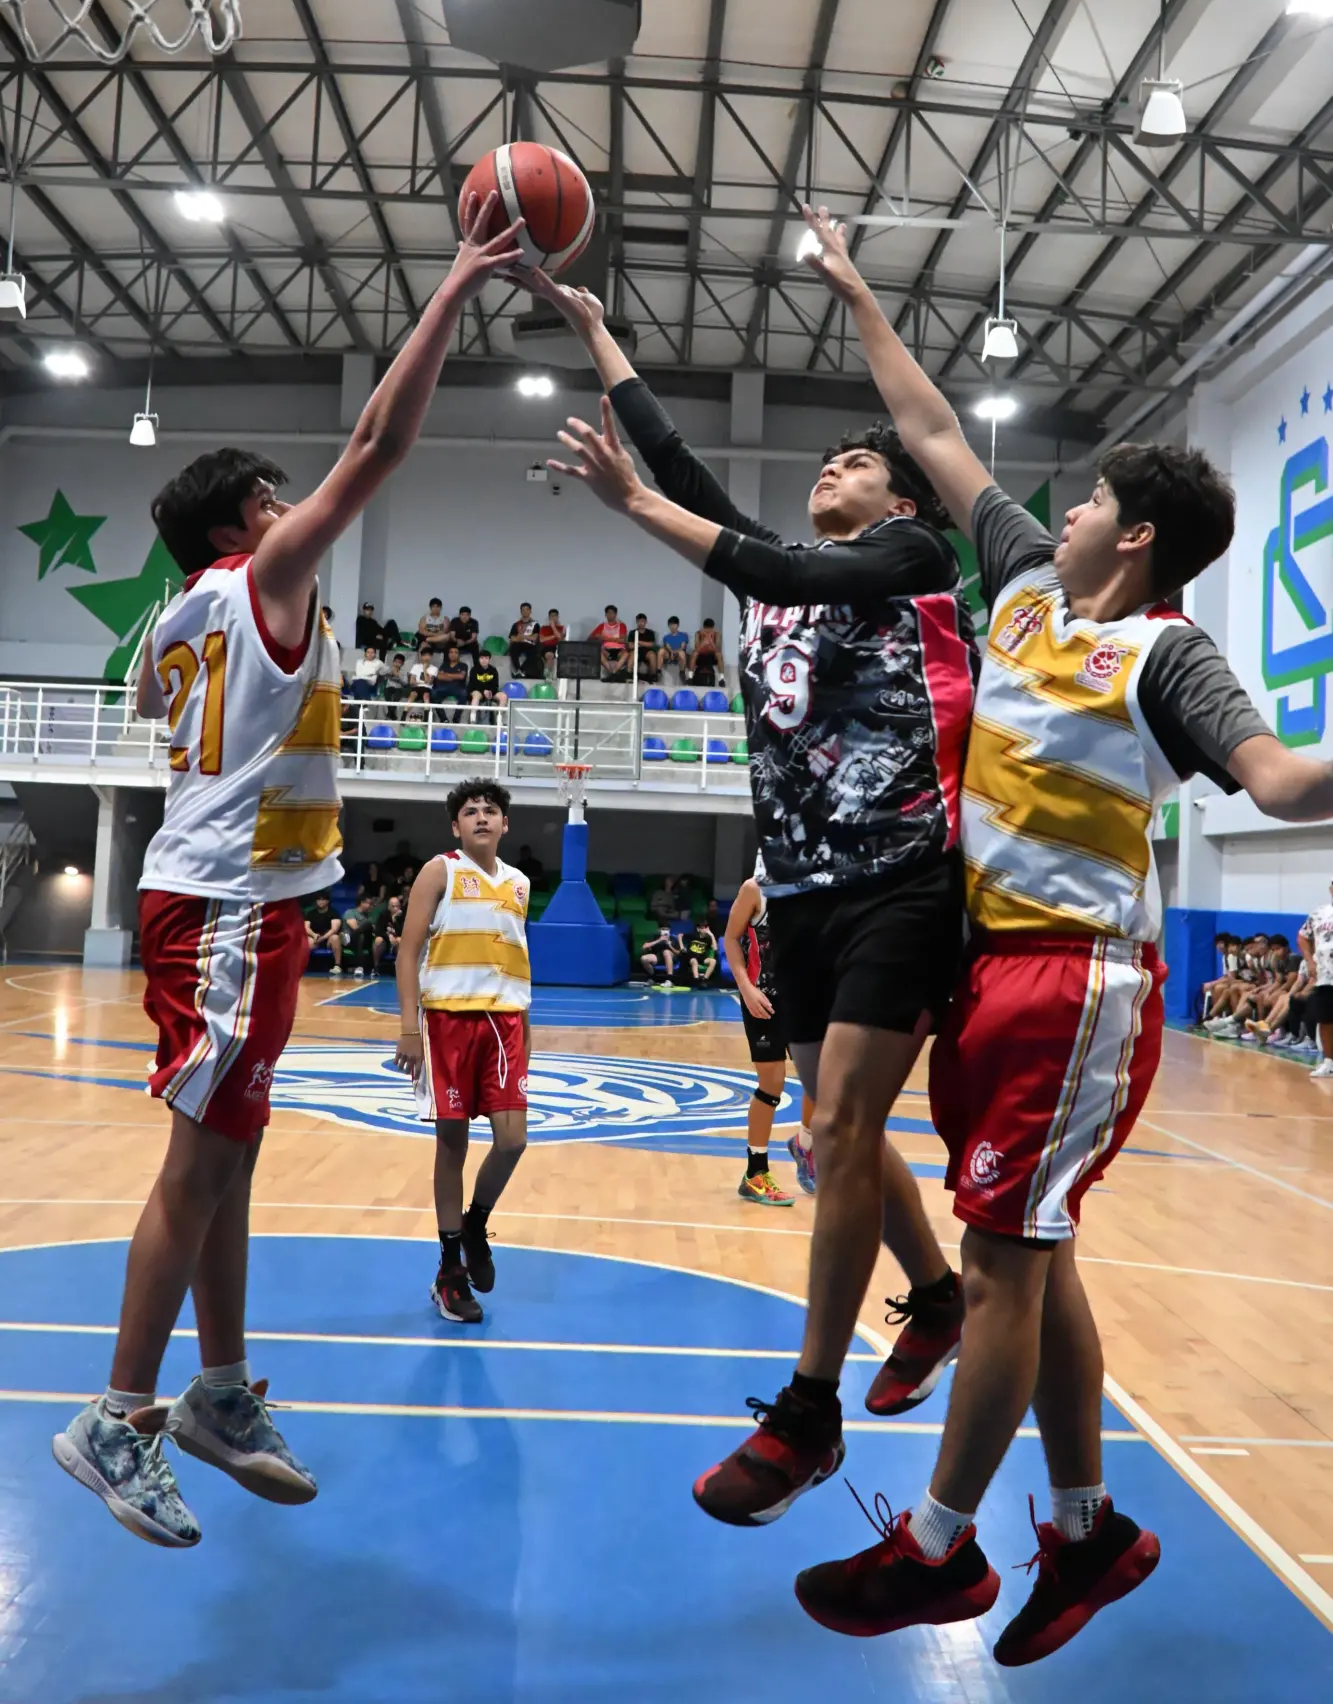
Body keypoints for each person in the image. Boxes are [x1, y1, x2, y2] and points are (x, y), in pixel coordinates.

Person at [788, 202, 1333, 1659]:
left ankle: (941, 1549)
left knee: (1003, 1269)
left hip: (1076, 978)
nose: (1065, 505)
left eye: (1091, 498)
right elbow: (933, 426)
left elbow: (1277, 780)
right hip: (986, 970)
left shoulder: (1169, 653)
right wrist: (855, 290)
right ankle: (1086, 1533)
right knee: (1042, 1257)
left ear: (1137, 535)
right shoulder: (1025, 586)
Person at [51, 192, 523, 1548]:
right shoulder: (258, 581)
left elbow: (152, 702)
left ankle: (212, 1392)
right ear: (247, 521)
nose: (291, 505)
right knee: (200, 1170)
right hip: (225, 908)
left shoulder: (172, 618)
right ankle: (120, 1415)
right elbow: (382, 442)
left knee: (235, 1161)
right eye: (273, 498)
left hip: (227, 894)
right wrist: (456, 284)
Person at [529, 266, 976, 1526]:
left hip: (903, 876)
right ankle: (935, 1295)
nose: (832, 470)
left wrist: (630, 509)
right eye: (825, 465)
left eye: (854, 461)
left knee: (829, 1132)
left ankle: (809, 1407)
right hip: (802, 892)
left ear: (898, 494)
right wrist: (600, 328)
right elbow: (680, 469)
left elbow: (773, 569)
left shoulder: (909, 557)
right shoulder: (782, 567)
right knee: (835, 1126)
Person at [394, 780, 532, 1324]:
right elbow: (408, 952)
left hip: (505, 1024)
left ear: (504, 825)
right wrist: (410, 1028)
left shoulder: (519, 883)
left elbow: (519, 959)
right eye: (470, 811)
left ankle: (475, 1224)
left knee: (513, 1140)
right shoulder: (440, 870)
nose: (480, 817)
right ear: (456, 827)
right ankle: (450, 1268)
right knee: (451, 1144)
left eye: (490, 810)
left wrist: (528, 1030)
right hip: (447, 1019)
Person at [722, 877, 794, 1207]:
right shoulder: (755, 889)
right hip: (762, 998)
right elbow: (731, 938)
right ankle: (755, 1172)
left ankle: (806, 1145)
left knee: (825, 1078)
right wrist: (747, 989)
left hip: (804, 1000)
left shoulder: (820, 882)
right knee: (772, 1082)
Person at [1298, 885, 1333, 1077]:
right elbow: (1303, 936)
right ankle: (1329, 1063)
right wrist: (1309, 959)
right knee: (1326, 1019)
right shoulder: (1319, 913)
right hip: (1325, 975)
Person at [340, 892, 379, 978]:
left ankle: (371, 968)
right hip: (352, 940)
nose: (371, 906)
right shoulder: (350, 912)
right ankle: (359, 967)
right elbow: (354, 927)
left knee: (368, 930)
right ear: (362, 903)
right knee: (362, 932)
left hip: (365, 940)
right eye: (369, 903)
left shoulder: (368, 916)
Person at [431, 643, 470, 720]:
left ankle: (456, 718)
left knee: (464, 694)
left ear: (459, 655)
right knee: (433, 694)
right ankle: (443, 719)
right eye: (451, 652)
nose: (453, 654)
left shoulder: (463, 665)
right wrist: (454, 676)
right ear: (448, 654)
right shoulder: (444, 664)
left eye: (456, 652)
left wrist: (446, 674)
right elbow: (439, 676)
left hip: (458, 688)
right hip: (443, 687)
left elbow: (461, 676)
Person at [592, 603, 630, 681]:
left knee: (626, 654)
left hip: (619, 650)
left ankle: (613, 673)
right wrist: (615, 639)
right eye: (608, 613)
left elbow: (622, 640)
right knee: (598, 653)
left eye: (612, 613)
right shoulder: (602, 626)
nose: (610, 615)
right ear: (605, 615)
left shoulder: (621, 625)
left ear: (615, 614)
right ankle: (612, 673)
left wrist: (604, 638)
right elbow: (592, 637)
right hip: (606, 650)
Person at [303, 892, 341, 969]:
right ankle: (303, 965)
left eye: (323, 900)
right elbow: (306, 927)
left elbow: (334, 929)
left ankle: (337, 965)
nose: (321, 901)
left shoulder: (334, 912)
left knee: (335, 938)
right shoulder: (310, 913)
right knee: (307, 940)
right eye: (319, 900)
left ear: (328, 901)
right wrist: (314, 935)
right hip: (315, 938)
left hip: (328, 939)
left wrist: (322, 938)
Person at [508, 602, 545, 680]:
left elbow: (534, 637)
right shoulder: (516, 624)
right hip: (518, 644)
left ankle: (522, 670)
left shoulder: (535, 624)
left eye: (527, 610)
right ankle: (517, 670)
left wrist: (523, 636)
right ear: (521, 611)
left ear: (530, 611)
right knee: (513, 648)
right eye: (523, 610)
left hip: (530, 644)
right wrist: (521, 637)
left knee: (534, 652)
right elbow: (512, 638)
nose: (525, 612)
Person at [374, 892, 405, 976]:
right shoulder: (383, 915)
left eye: (397, 906)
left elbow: (403, 932)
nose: (395, 908)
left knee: (400, 939)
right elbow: (378, 931)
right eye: (393, 906)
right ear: (388, 907)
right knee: (378, 940)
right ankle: (376, 967)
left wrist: (395, 920)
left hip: (396, 942)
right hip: (386, 942)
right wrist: (388, 936)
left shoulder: (403, 917)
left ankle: (398, 966)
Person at [688, 619, 722, 688]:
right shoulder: (698, 633)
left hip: (711, 656)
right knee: (694, 653)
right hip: (700, 655)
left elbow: (717, 648)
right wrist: (705, 638)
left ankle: (721, 678)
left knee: (719, 654)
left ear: (713, 628)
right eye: (706, 629)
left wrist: (709, 638)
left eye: (710, 629)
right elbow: (697, 647)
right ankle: (690, 677)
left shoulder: (717, 634)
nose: (708, 631)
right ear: (703, 628)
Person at [683, 919, 718, 986]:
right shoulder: (692, 935)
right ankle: (696, 980)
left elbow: (715, 948)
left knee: (713, 961)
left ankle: (704, 979)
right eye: (702, 928)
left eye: (706, 928)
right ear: (698, 929)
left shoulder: (708, 938)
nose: (704, 930)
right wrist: (682, 946)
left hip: (702, 958)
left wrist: (712, 935)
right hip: (691, 957)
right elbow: (680, 936)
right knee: (694, 961)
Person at [469, 647, 500, 714]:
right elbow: (473, 684)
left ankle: (499, 717)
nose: (484, 660)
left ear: (489, 659)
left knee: (503, 696)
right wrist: (483, 691)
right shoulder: (474, 669)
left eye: (486, 658)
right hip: (477, 691)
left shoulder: (493, 670)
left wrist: (491, 691)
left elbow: (495, 684)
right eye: (482, 658)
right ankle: (473, 717)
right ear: (479, 659)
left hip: (490, 692)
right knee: (476, 695)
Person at [631, 612, 658, 681]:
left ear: (645, 622)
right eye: (639, 621)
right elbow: (630, 645)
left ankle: (653, 676)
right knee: (633, 654)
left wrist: (638, 642)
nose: (641, 623)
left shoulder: (650, 632)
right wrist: (644, 644)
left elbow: (651, 644)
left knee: (652, 654)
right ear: (637, 622)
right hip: (636, 651)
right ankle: (631, 675)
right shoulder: (632, 632)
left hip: (647, 652)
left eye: (642, 621)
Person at [540, 608, 567, 672]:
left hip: (558, 646)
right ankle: (547, 675)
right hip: (547, 647)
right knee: (550, 655)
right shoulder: (543, 628)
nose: (553, 617)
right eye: (552, 616)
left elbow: (560, 639)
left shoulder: (562, 628)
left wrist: (553, 627)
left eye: (555, 616)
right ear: (549, 617)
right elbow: (542, 640)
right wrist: (554, 636)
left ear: (557, 617)